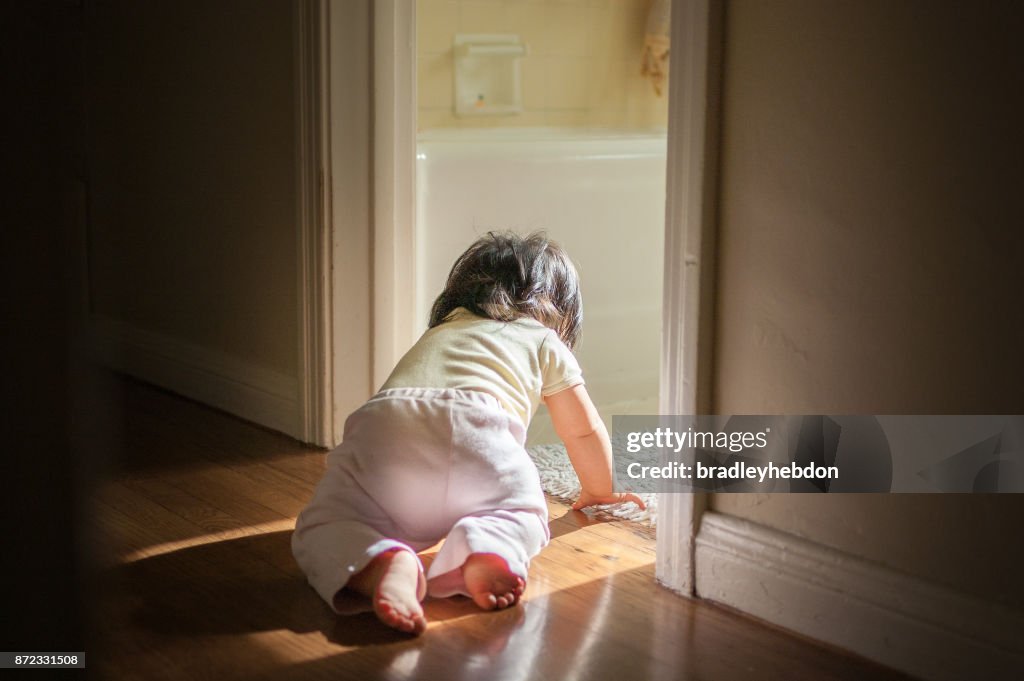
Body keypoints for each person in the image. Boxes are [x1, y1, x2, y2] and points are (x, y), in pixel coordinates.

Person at [291, 231, 645, 635]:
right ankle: (488, 548)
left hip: (387, 429)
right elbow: (583, 432)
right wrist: (600, 489)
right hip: (482, 435)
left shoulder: (441, 332)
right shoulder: (544, 340)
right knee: (523, 514)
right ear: (560, 310)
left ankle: (379, 562)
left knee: (324, 523)